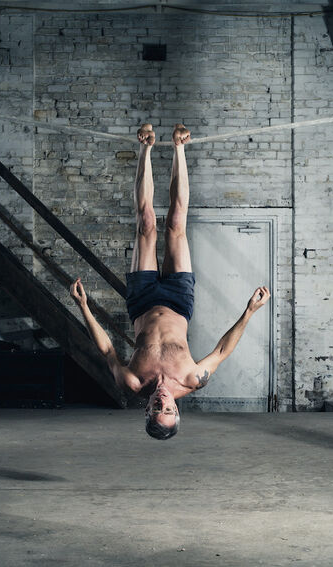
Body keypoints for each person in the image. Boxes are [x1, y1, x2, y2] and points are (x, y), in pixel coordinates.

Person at [69, 123, 270, 440]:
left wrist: (83, 307)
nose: (162, 403)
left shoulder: (133, 382)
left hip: (142, 301)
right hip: (179, 300)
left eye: (157, 410)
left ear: (147, 411)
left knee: (146, 223)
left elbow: (107, 350)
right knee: (176, 223)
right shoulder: (192, 379)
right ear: (177, 412)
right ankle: (179, 147)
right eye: (169, 410)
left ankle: (145, 147)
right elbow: (221, 351)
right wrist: (249, 312)